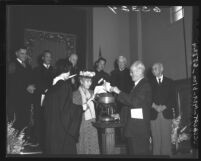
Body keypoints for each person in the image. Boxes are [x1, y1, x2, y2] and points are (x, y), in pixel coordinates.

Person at [111, 60, 152, 155]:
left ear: (139, 71)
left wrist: (119, 92)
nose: (130, 74)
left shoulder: (145, 85)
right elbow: (130, 106)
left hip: (139, 130)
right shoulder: (137, 86)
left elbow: (134, 102)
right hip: (133, 129)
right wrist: (120, 115)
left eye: (132, 72)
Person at [43, 60, 83, 155]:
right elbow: (66, 109)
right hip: (62, 129)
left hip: (51, 128)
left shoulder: (51, 86)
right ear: (67, 71)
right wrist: (81, 108)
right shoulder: (65, 86)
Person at [7, 48, 36, 139]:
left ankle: (23, 142)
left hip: (26, 99)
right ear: (16, 53)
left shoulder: (28, 66)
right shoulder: (12, 64)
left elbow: (31, 79)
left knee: (25, 121)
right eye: (22, 53)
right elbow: (11, 82)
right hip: (16, 100)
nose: (24, 55)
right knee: (17, 123)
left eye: (25, 53)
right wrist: (26, 87)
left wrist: (33, 85)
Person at [150, 63, 177, 157]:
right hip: (154, 114)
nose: (153, 70)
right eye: (152, 69)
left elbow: (173, 98)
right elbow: (147, 98)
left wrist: (164, 106)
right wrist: (155, 106)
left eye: (155, 68)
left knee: (166, 140)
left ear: (161, 69)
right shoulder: (149, 83)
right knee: (156, 140)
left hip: (166, 114)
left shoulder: (170, 82)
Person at [72, 70, 100, 154]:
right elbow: (75, 111)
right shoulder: (75, 94)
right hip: (81, 123)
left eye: (90, 81)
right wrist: (85, 104)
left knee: (93, 143)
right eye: (87, 81)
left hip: (92, 123)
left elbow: (98, 108)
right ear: (81, 81)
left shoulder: (92, 93)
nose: (90, 83)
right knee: (82, 144)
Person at [32, 50, 54, 150]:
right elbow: (37, 82)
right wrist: (45, 90)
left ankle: (47, 140)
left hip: (51, 97)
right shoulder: (37, 69)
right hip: (41, 96)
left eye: (50, 57)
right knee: (39, 118)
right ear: (43, 58)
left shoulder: (54, 69)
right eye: (47, 56)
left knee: (49, 117)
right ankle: (37, 140)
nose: (49, 58)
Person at [110, 56, 133, 144]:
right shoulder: (113, 73)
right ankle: (118, 140)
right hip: (116, 101)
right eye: (119, 62)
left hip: (126, 100)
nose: (121, 63)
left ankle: (125, 140)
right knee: (116, 119)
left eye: (123, 62)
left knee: (125, 120)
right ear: (117, 63)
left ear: (125, 63)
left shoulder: (129, 73)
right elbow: (111, 87)